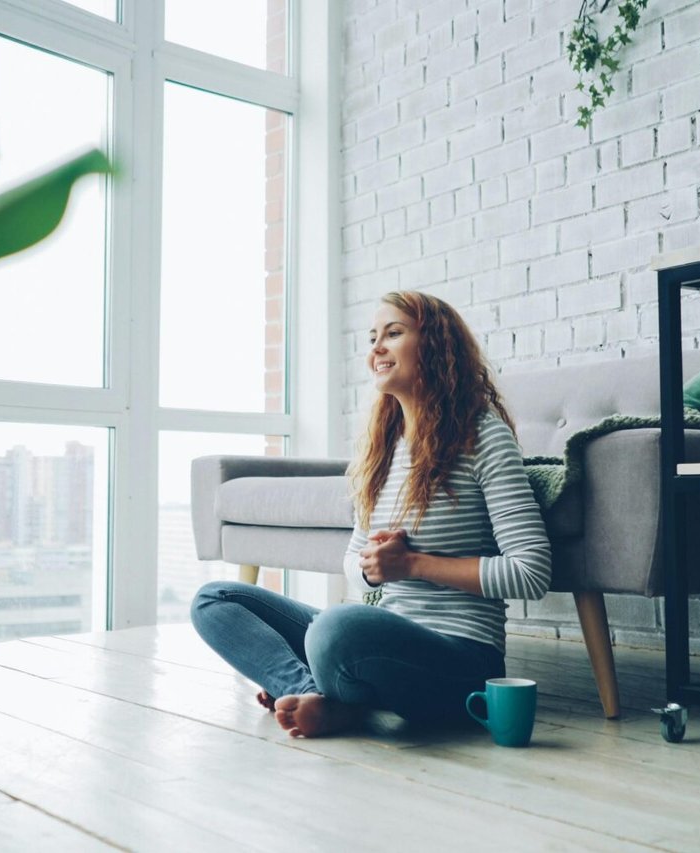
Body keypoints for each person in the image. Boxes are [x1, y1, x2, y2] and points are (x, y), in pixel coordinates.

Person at [190, 290, 553, 738]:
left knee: (336, 628)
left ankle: (328, 695)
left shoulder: (483, 437)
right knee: (215, 600)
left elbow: (530, 573)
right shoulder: (383, 448)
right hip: (382, 637)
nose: (376, 348)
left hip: (459, 659)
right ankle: (311, 693)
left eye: (393, 333)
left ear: (436, 345)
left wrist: (413, 564)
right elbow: (354, 562)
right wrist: (374, 569)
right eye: (372, 338)